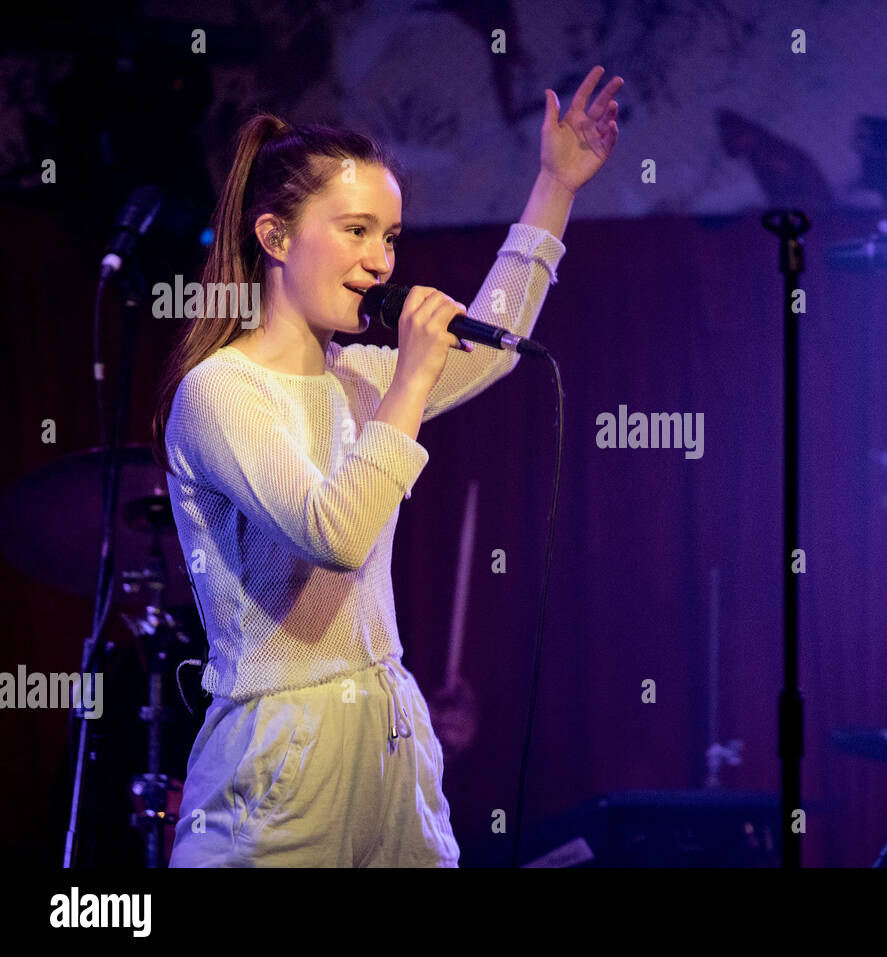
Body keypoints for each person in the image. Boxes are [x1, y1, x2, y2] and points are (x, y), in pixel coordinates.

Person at [151, 66, 622, 866]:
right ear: (273, 237)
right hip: (284, 748)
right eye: (357, 230)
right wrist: (408, 378)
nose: (378, 260)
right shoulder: (220, 391)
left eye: (391, 237)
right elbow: (332, 532)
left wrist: (554, 186)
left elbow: (492, 356)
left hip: (389, 725)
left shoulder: (357, 378)